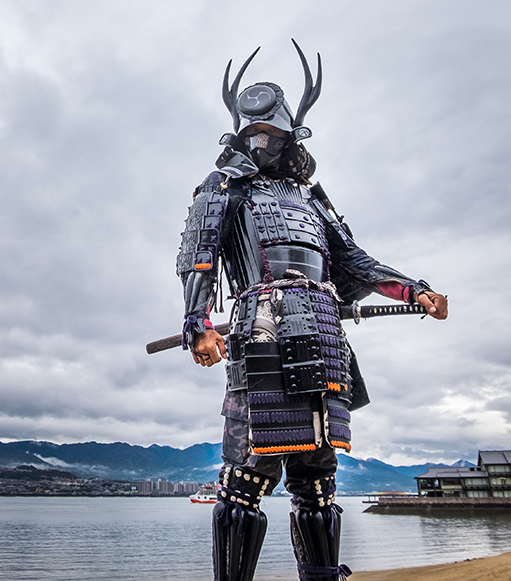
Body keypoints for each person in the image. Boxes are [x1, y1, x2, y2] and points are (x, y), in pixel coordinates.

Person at [176, 41, 448, 581]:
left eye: (272, 135)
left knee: (318, 479)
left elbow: (355, 261)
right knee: (246, 476)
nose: (262, 143)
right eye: (254, 134)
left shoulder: (313, 199)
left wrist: (414, 289)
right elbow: (199, 256)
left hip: (323, 334)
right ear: (240, 135)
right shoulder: (223, 189)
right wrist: (199, 323)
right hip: (263, 328)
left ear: (289, 137)